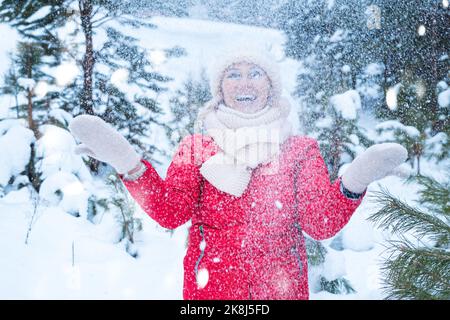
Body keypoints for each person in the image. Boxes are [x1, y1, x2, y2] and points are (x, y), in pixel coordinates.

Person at [69, 50, 408, 300]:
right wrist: (130, 166)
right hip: (211, 292)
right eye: (233, 74)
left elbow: (319, 223)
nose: (244, 82)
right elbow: (170, 213)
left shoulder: (298, 149)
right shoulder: (198, 147)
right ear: (221, 88)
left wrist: (353, 182)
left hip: (281, 290)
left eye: (255, 73)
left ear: (270, 85)